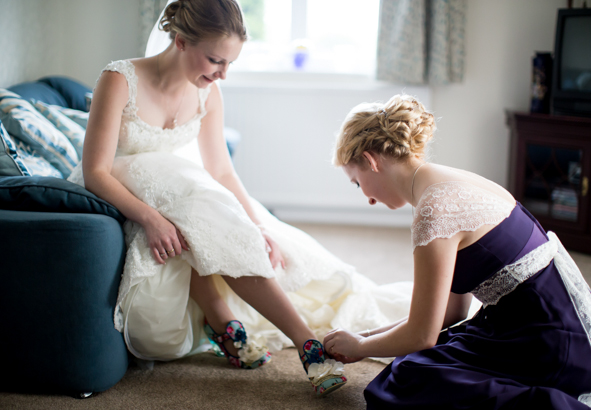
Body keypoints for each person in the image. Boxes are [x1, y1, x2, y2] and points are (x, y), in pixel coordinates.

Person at [66, 0, 413, 398]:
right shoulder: (119, 79)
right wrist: (149, 218)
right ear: (179, 41)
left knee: (243, 226)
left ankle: (228, 321)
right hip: (120, 188)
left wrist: (257, 226)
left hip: (175, 194)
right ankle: (302, 343)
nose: (223, 74)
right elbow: (95, 171)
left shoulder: (208, 93)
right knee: (183, 187)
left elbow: (222, 171)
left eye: (230, 63)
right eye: (215, 60)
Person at [325, 94, 591, 408]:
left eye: (357, 183)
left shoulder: (434, 211)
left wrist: (361, 346)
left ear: (371, 161)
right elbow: (452, 314)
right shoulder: (446, 182)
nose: (366, 198)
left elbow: (421, 336)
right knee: (425, 358)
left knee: (405, 380)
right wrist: (364, 338)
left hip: (552, 342)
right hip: (553, 323)